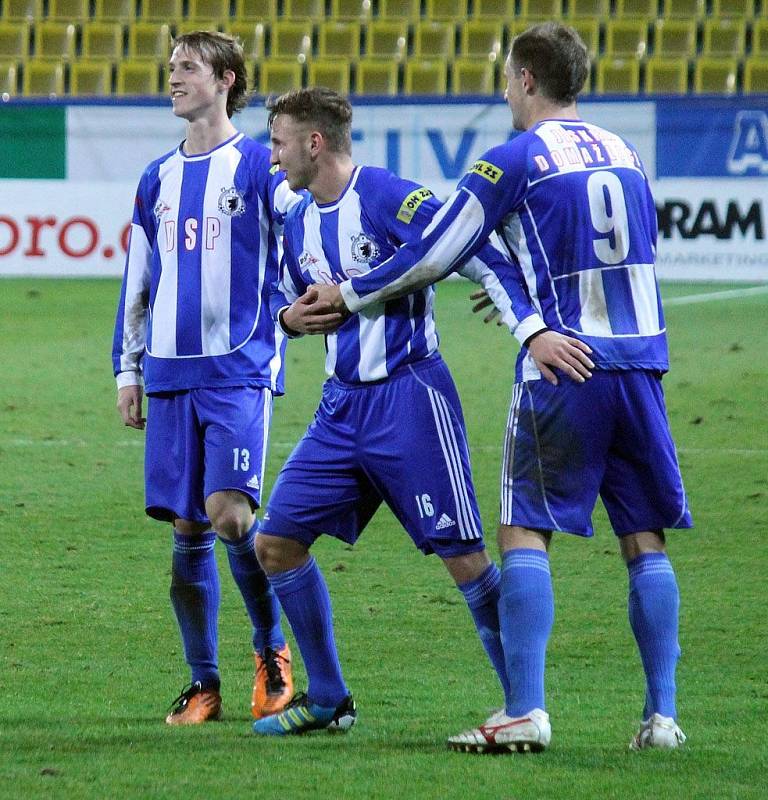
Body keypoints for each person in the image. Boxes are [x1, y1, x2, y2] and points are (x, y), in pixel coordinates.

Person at [309, 22, 692, 753]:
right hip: (640, 363)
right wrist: (529, 292)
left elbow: (433, 253)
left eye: (505, 78)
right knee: (644, 539)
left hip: (561, 366)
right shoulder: (625, 150)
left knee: (524, 533)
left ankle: (524, 709)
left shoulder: (511, 158)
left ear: (523, 80)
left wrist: (350, 294)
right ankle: (663, 718)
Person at [249, 87, 543, 737]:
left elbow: (460, 243)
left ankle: (522, 705)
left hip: (410, 398)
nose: (272, 154)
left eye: (278, 141)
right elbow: (293, 302)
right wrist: (287, 319)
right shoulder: (299, 218)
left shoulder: (386, 195)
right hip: (339, 408)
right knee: (276, 543)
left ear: (314, 142)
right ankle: (328, 700)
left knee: (465, 558)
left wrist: (515, 295)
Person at [112, 31, 298, 725]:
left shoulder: (259, 166)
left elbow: (299, 248)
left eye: (187, 68)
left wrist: (297, 310)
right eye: (170, 68)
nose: (173, 78)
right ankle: (203, 684)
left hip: (239, 366)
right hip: (166, 371)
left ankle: (272, 652)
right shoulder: (156, 176)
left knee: (231, 514)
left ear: (225, 79)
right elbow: (138, 277)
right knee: (188, 528)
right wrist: (127, 368)